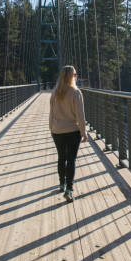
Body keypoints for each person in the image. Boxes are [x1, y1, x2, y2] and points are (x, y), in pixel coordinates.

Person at [49, 65, 87, 202]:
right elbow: (80, 116)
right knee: (71, 160)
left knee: (61, 157)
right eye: (75, 75)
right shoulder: (76, 93)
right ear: (72, 77)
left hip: (57, 130)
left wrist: (51, 129)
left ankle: (61, 183)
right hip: (72, 131)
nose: (76, 77)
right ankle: (69, 190)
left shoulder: (54, 92)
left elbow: (51, 114)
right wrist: (84, 133)